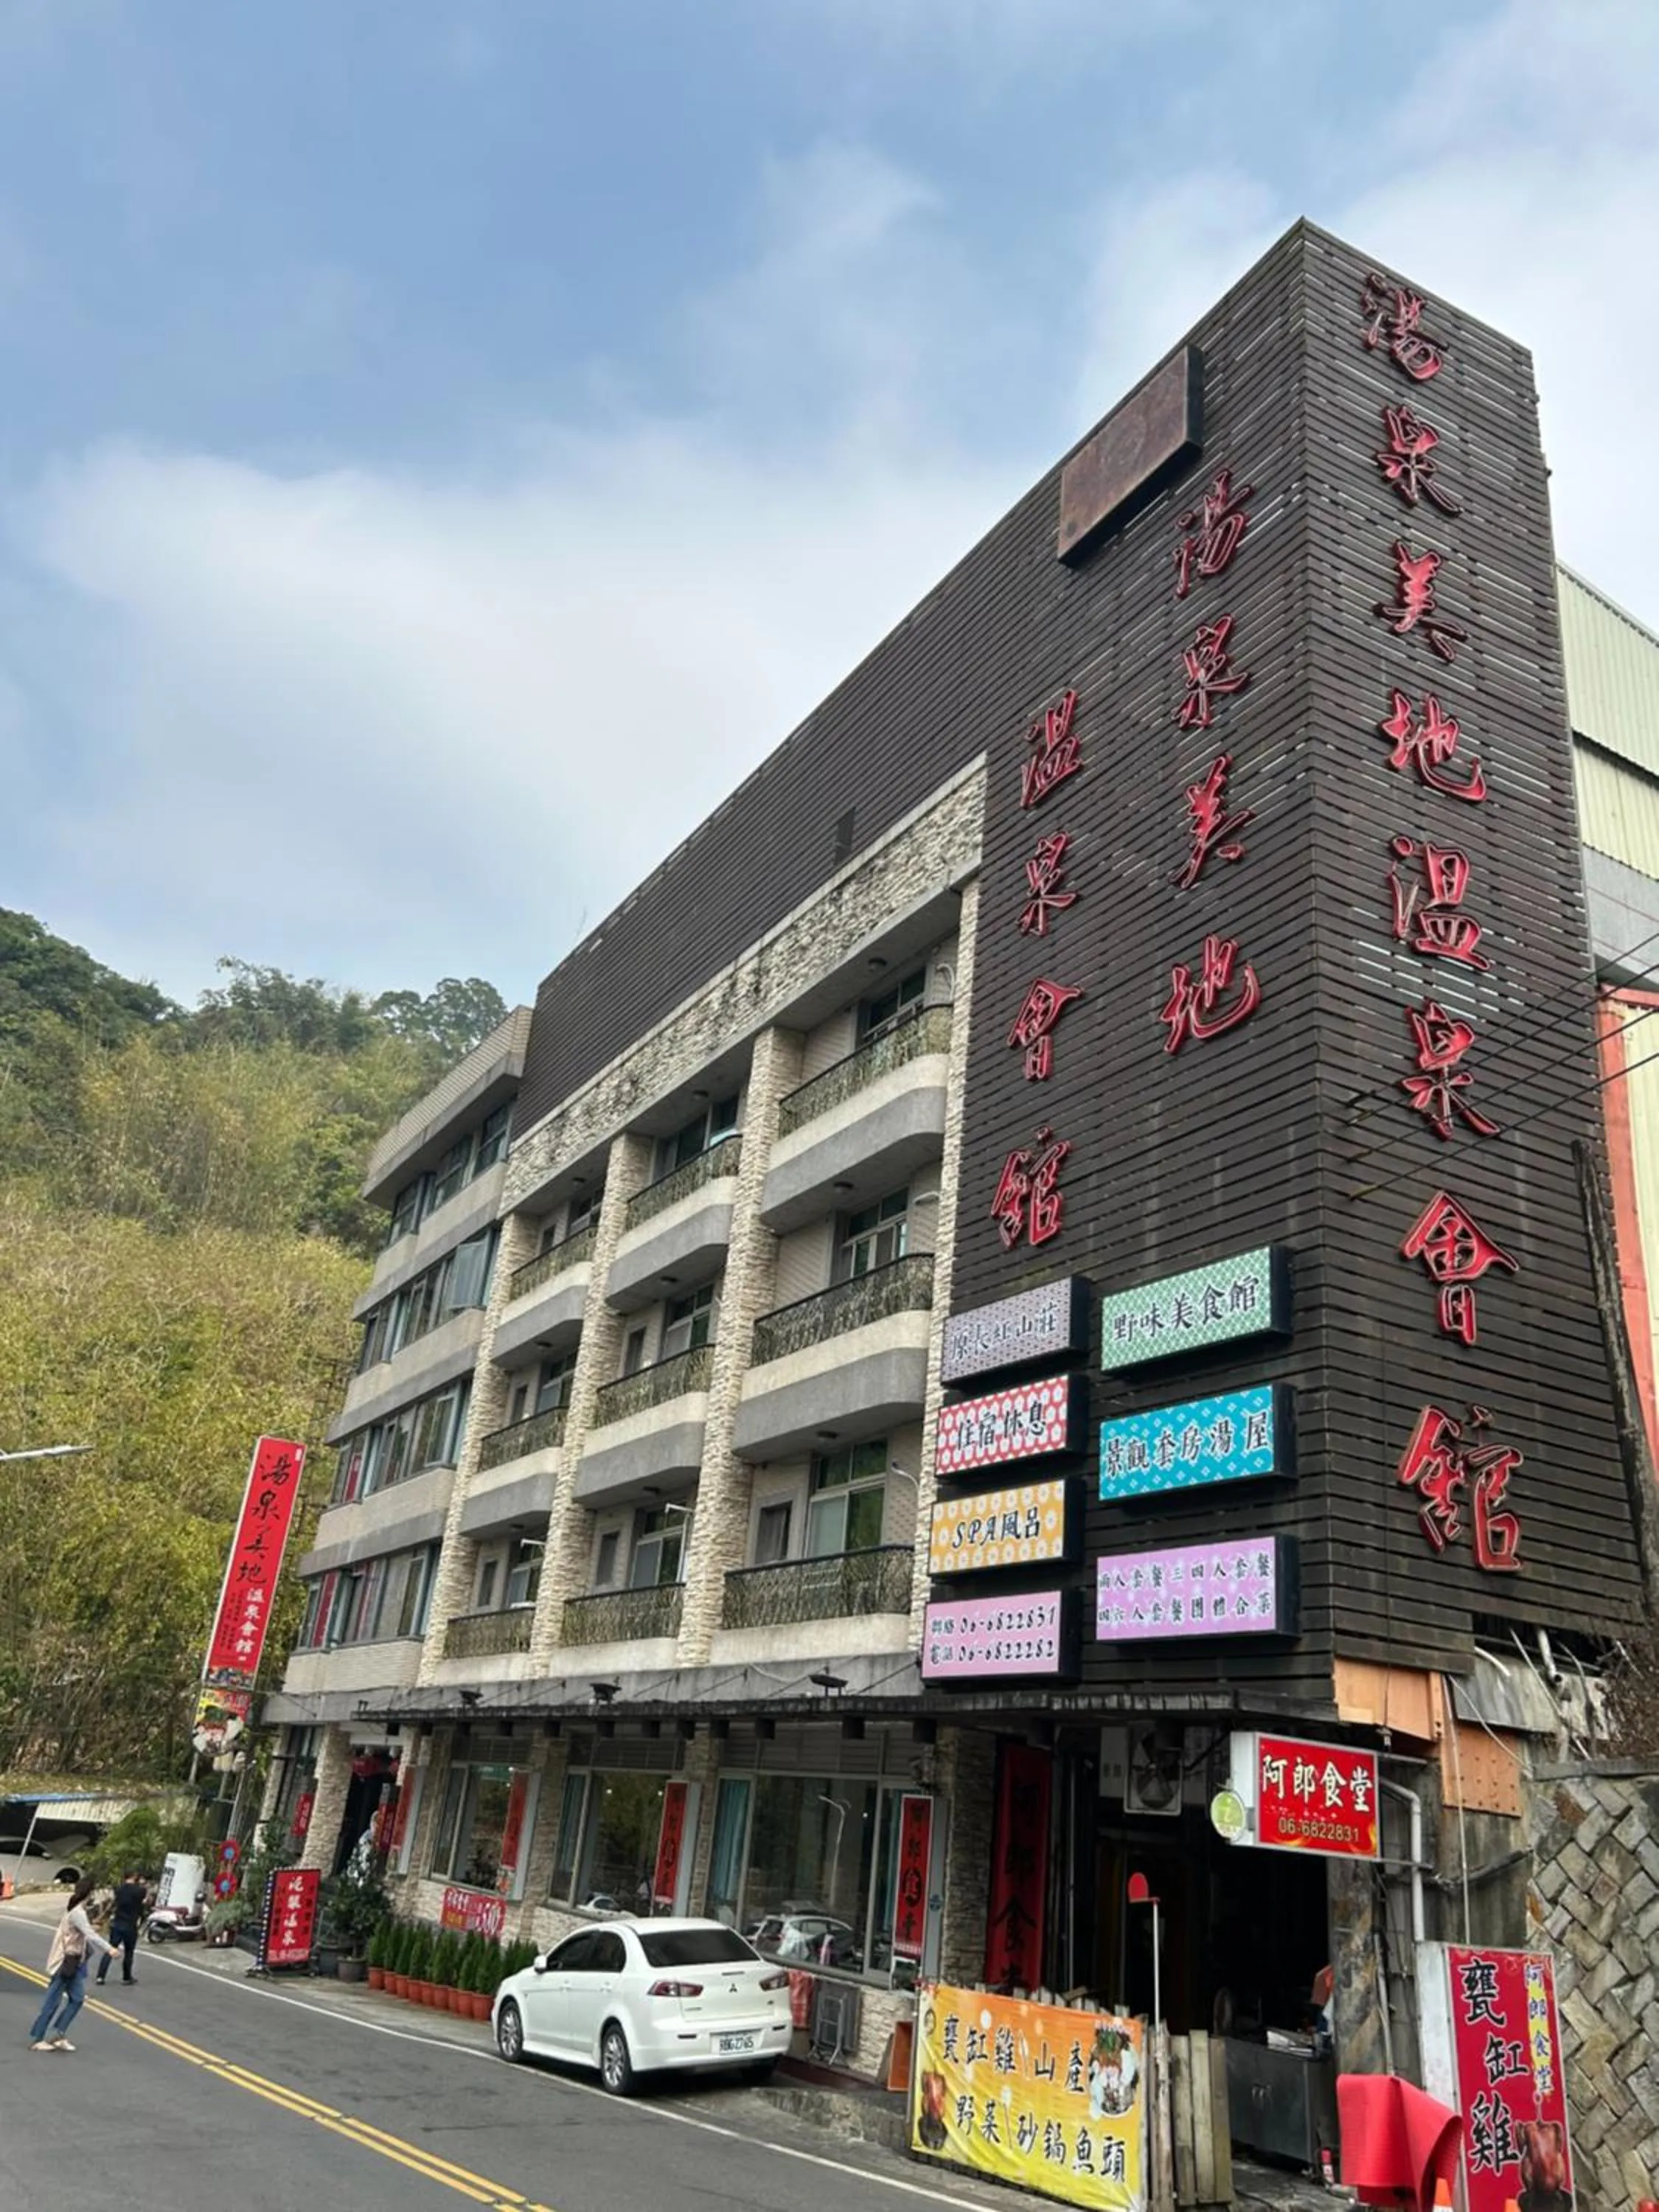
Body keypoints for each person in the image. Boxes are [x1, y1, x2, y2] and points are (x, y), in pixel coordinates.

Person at [30, 1877, 115, 2051]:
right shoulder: (77, 1913)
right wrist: (109, 1949)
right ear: (89, 1893)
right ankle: (38, 2039)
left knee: (77, 1999)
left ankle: (58, 2034)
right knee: (52, 2001)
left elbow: (84, 1932)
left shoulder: (78, 1912)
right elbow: (90, 1934)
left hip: (75, 1962)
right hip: (65, 1962)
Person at [95, 1868, 147, 1987]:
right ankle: (126, 1977)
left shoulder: (119, 1889)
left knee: (110, 1949)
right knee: (129, 1952)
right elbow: (143, 1902)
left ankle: (100, 1976)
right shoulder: (140, 1890)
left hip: (118, 1922)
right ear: (134, 1876)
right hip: (131, 1924)